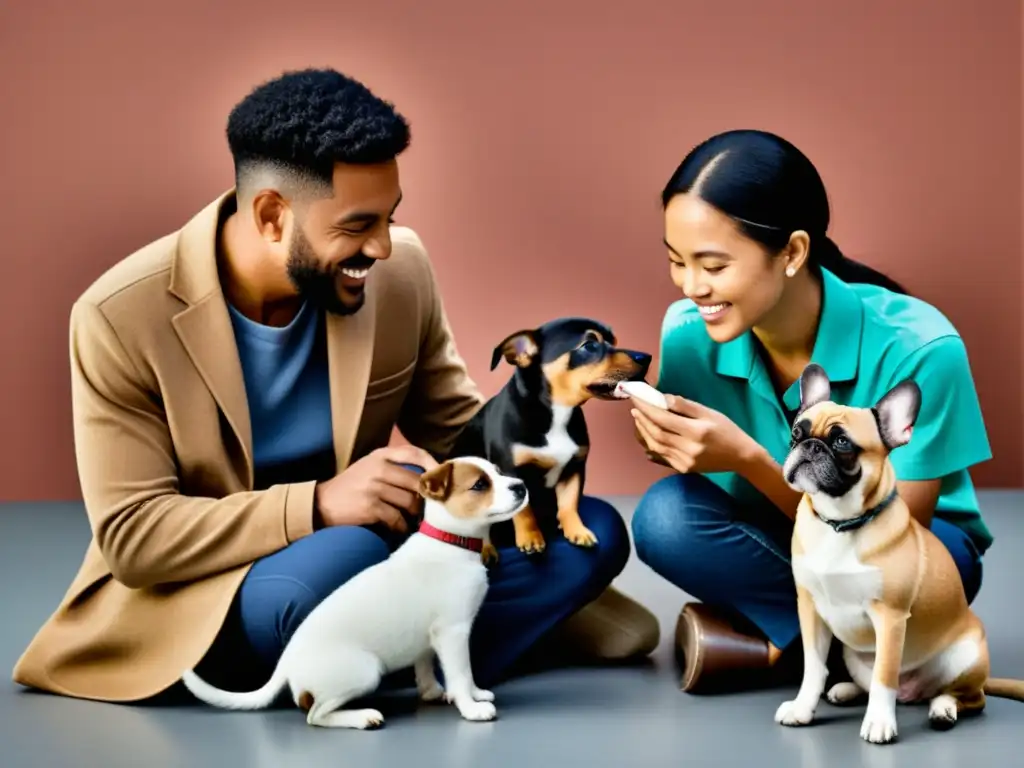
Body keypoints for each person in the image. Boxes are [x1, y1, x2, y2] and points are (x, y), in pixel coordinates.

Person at [12, 68, 659, 704]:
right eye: (357, 225)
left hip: (381, 556)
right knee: (343, 555)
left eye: (389, 218)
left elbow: (466, 431)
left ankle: (387, 656)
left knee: (594, 533)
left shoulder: (400, 273)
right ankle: (422, 647)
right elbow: (135, 536)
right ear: (271, 215)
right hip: (226, 583)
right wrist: (317, 505)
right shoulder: (120, 316)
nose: (381, 247)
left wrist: (548, 425)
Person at [626, 129, 992, 694]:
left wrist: (747, 459)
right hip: (780, 538)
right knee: (664, 519)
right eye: (677, 261)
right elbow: (698, 483)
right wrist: (667, 441)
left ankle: (782, 650)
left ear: (793, 252)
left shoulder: (920, 347)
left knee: (943, 572)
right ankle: (846, 652)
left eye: (714, 265)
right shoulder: (686, 333)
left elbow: (903, 529)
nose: (692, 287)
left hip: (900, 549)